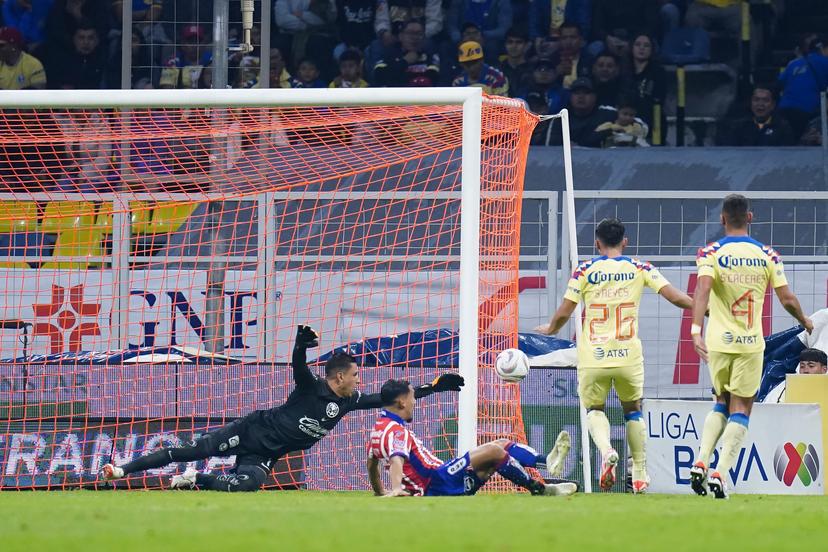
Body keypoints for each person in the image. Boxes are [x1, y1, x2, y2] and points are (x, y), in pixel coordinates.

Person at [101, 326, 465, 492]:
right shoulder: (313, 387)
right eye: (355, 375)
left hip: (268, 453)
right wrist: (299, 345)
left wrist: (432, 387)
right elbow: (298, 367)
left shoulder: (350, 401)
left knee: (249, 485)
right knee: (194, 450)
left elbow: (390, 400)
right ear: (338, 377)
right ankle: (121, 470)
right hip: (250, 431)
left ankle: (195, 480)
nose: (359, 380)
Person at [535, 218, 692, 493]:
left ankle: (607, 451)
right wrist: (705, 309)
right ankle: (640, 472)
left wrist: (550, 328)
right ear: (625, 242)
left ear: (597, 243)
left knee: (595, 409)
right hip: (627, 355)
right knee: (632, 410)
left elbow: (565, 311)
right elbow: (675, 297)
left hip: (594, 356)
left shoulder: (584, 270)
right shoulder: (640, 267)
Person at [689, 194, 813, 499]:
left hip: (718, 341)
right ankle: (721, 472)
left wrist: (695, 329)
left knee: (721, 400)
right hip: (749, 343)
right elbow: (786, 299)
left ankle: (701, 460)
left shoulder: (710, 253)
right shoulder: (768, 255)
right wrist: (805, 320)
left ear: (722, 219)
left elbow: (702, 290)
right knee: (742, 407)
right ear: (750, 217)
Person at [367, 379, 577, 497]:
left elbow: (372, 462)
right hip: (437, 481)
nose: (414, 402)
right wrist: (395, 489)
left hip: (442, 478)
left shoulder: (379, 427)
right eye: (412, 397)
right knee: (495, 451)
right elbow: (396, 458)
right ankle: (540, 489)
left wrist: (379, 491)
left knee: (500, 446)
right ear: (402, 402)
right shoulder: (396, 431)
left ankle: (545, 463)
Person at [778, 35, 828, 139]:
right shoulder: (825, 62)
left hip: (783, 109)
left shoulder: (793, 63)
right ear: (822, 48)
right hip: (807, 110)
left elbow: (780, 81)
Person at [545, 77, 615, 146]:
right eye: (576, 93)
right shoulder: (560, 119)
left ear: (595, 96)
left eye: (586, 93)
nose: (581, 97)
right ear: (570, 96)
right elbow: (551, 149)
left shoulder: (609, 115)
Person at [373, 19, 439, 87]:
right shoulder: (389, 54)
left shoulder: (430, 55)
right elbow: (379, 77)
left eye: (419, 34)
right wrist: (404, 62)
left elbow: (435, 78)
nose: (415, 37)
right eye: (410, 33)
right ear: (401, 36)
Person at [723, 85, 795, 147]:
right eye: (756, 100)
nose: (760, 104)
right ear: (751, 103)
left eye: (765, 100)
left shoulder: (783, 127)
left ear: (773, 105)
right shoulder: (739, 127)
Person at [46, 20, 106, 89]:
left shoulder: (103, 62)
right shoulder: (61, 62)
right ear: (74, 39)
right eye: (81, 38)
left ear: (97, 41)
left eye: (90, 38)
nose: (86, 42)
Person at [625, 33, 666, 132]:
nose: (642, 48)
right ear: (632, 47)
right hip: (626, 120)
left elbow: (658, 98)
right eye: (638, 44)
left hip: (652, 121)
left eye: (646, 45)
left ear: (652, 50)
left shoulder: (659, 72)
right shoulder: (624, 71)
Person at [497, 27, 531, 97]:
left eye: (519, 42)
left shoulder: (532, 71)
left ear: (526, 45)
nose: (514, 46)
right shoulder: (497, 71)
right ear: (505, 45)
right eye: (510, 42)